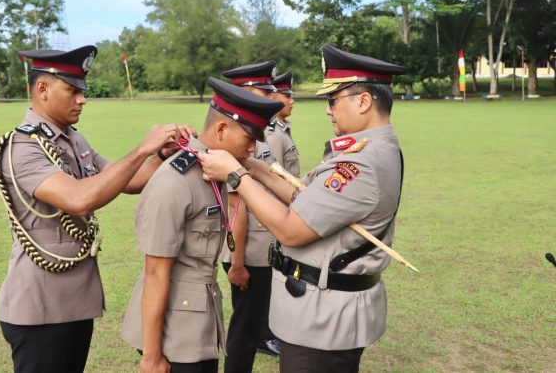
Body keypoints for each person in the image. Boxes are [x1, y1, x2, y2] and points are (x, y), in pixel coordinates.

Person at [198, 44, 406, 372]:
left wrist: (236, 176)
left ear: (363, 101)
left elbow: (291, 228)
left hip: (323, 322)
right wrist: (252, 165)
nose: (328, 110)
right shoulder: (368, 149)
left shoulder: (363, 163)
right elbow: (303, 195)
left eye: (333, 100)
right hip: (321, 314)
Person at [0, 45, 191, 373]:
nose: (82, 99)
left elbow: (126, 180)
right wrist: (143, 148)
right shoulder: (22, 147)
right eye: (72, 91)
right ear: (42, 89)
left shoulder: (71, 139)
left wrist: (160, 155)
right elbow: (79, 198)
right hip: (40, 309)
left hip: (74, 303)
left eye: (82, 91)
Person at [120, 77, 283, 373]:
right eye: (249, 138)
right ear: (221, 129)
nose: (252, 148)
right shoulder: (176, 181)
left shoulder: (214, 169)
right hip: (174, 333)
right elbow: (156, 272)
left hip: (199, 321)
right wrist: (152, 357)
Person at [219, 60, 283, 369]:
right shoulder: (235, 137)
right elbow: (236, 207)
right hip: (246, 252)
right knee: (244, 329)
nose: (273, 98)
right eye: (264, 91)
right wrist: (238, 263)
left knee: (252, 323)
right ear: (244, 92)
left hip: (261, 247)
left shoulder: (257, 133)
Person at [266, 70, 300, 178]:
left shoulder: (281, 128)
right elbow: (276, 180)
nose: (292, 101)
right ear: (271, 97)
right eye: (287, 96)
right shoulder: (273, 134)